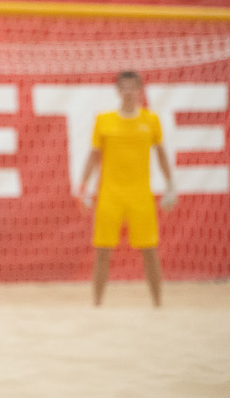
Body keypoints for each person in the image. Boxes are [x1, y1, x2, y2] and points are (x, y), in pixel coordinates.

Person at [76, 71, 177, 308]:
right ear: (117, 91)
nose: (129, 92)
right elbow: (94, 155)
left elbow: (161, 153)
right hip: (109, 195)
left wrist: (170, 185)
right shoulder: (104, 120)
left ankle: (158, 304)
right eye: (124, 88)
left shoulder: (151, 120)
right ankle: (97, 304)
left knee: (149, 250)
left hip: (140, 195)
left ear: (140, 90)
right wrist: (83, 187)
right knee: (102, 250)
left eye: (133, 87)